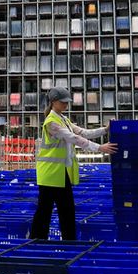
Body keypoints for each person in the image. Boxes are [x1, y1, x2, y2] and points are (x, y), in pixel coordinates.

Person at [30, 87, 117, 240]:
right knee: (48, 210)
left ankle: (58, 241)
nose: (66, 105)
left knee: (62, 209)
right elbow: (74, 138)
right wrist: (99, 148)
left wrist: (105, 130)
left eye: (67, 102)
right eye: (63, 102)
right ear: (53, 102)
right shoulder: (51, 122)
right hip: (50, 174)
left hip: (58, 173)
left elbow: (82, 133)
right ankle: (40, 241)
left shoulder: (63, 119)